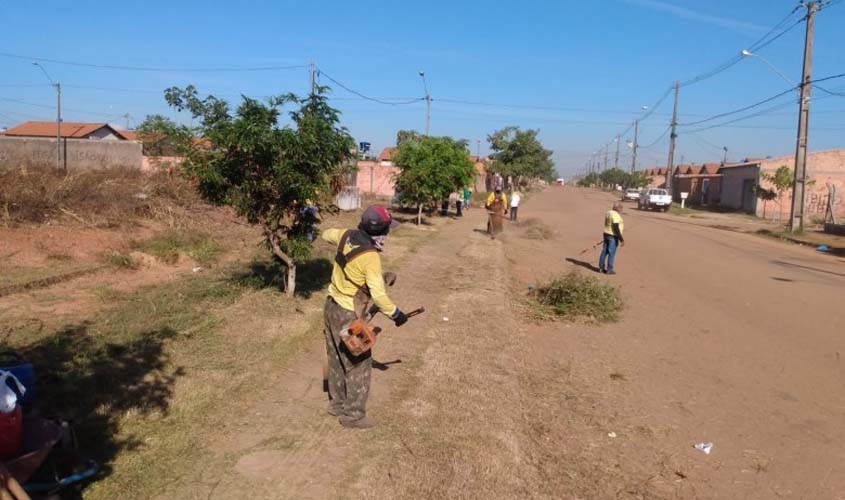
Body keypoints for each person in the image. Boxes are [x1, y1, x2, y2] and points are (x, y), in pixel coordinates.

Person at [321, 206, 409, 429]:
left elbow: (325, 234)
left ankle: (337, 404)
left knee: (336, 357)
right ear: (379, 231)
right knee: (359, 363)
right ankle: (353, 416)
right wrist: (396, 314)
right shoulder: (370, 257)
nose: (387, 235)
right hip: (349, 313)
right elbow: (379, 296)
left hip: (331, 306)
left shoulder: (346, 235)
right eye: (387, 230)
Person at [598, 202, 625, 275]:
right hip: (612, 235)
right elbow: (615, 227)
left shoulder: (608, 212)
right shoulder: (616, 215)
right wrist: (621, 239)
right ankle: (609, 269)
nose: (621, 210)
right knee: (611, 253)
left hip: (606, 233)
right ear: (617, 208)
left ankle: (601, 268)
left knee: (604, 251)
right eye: (621, 208)